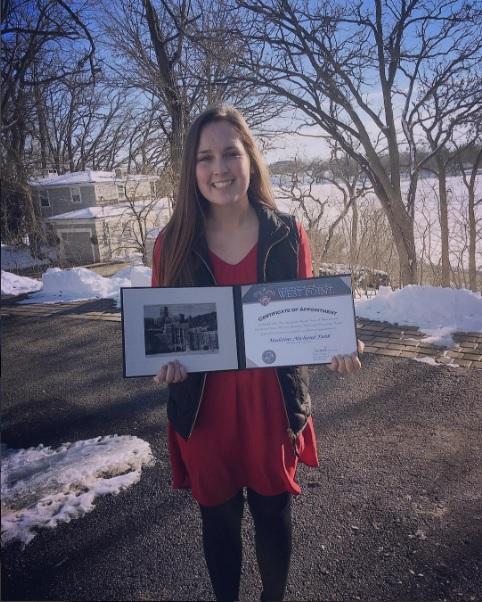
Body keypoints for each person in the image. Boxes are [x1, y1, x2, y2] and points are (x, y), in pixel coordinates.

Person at [151, 105, 363, 602]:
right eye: (205, 158)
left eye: (230, 152)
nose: (218, 168)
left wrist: (338, 341)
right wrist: (164, 360)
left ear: (250, 158)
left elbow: (310, 314)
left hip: (271, 408)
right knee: (218, 524)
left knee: (273, 515)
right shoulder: (172, 242)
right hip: (205, 410)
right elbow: (161, 329)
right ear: (192, 169)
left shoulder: (287, 231)